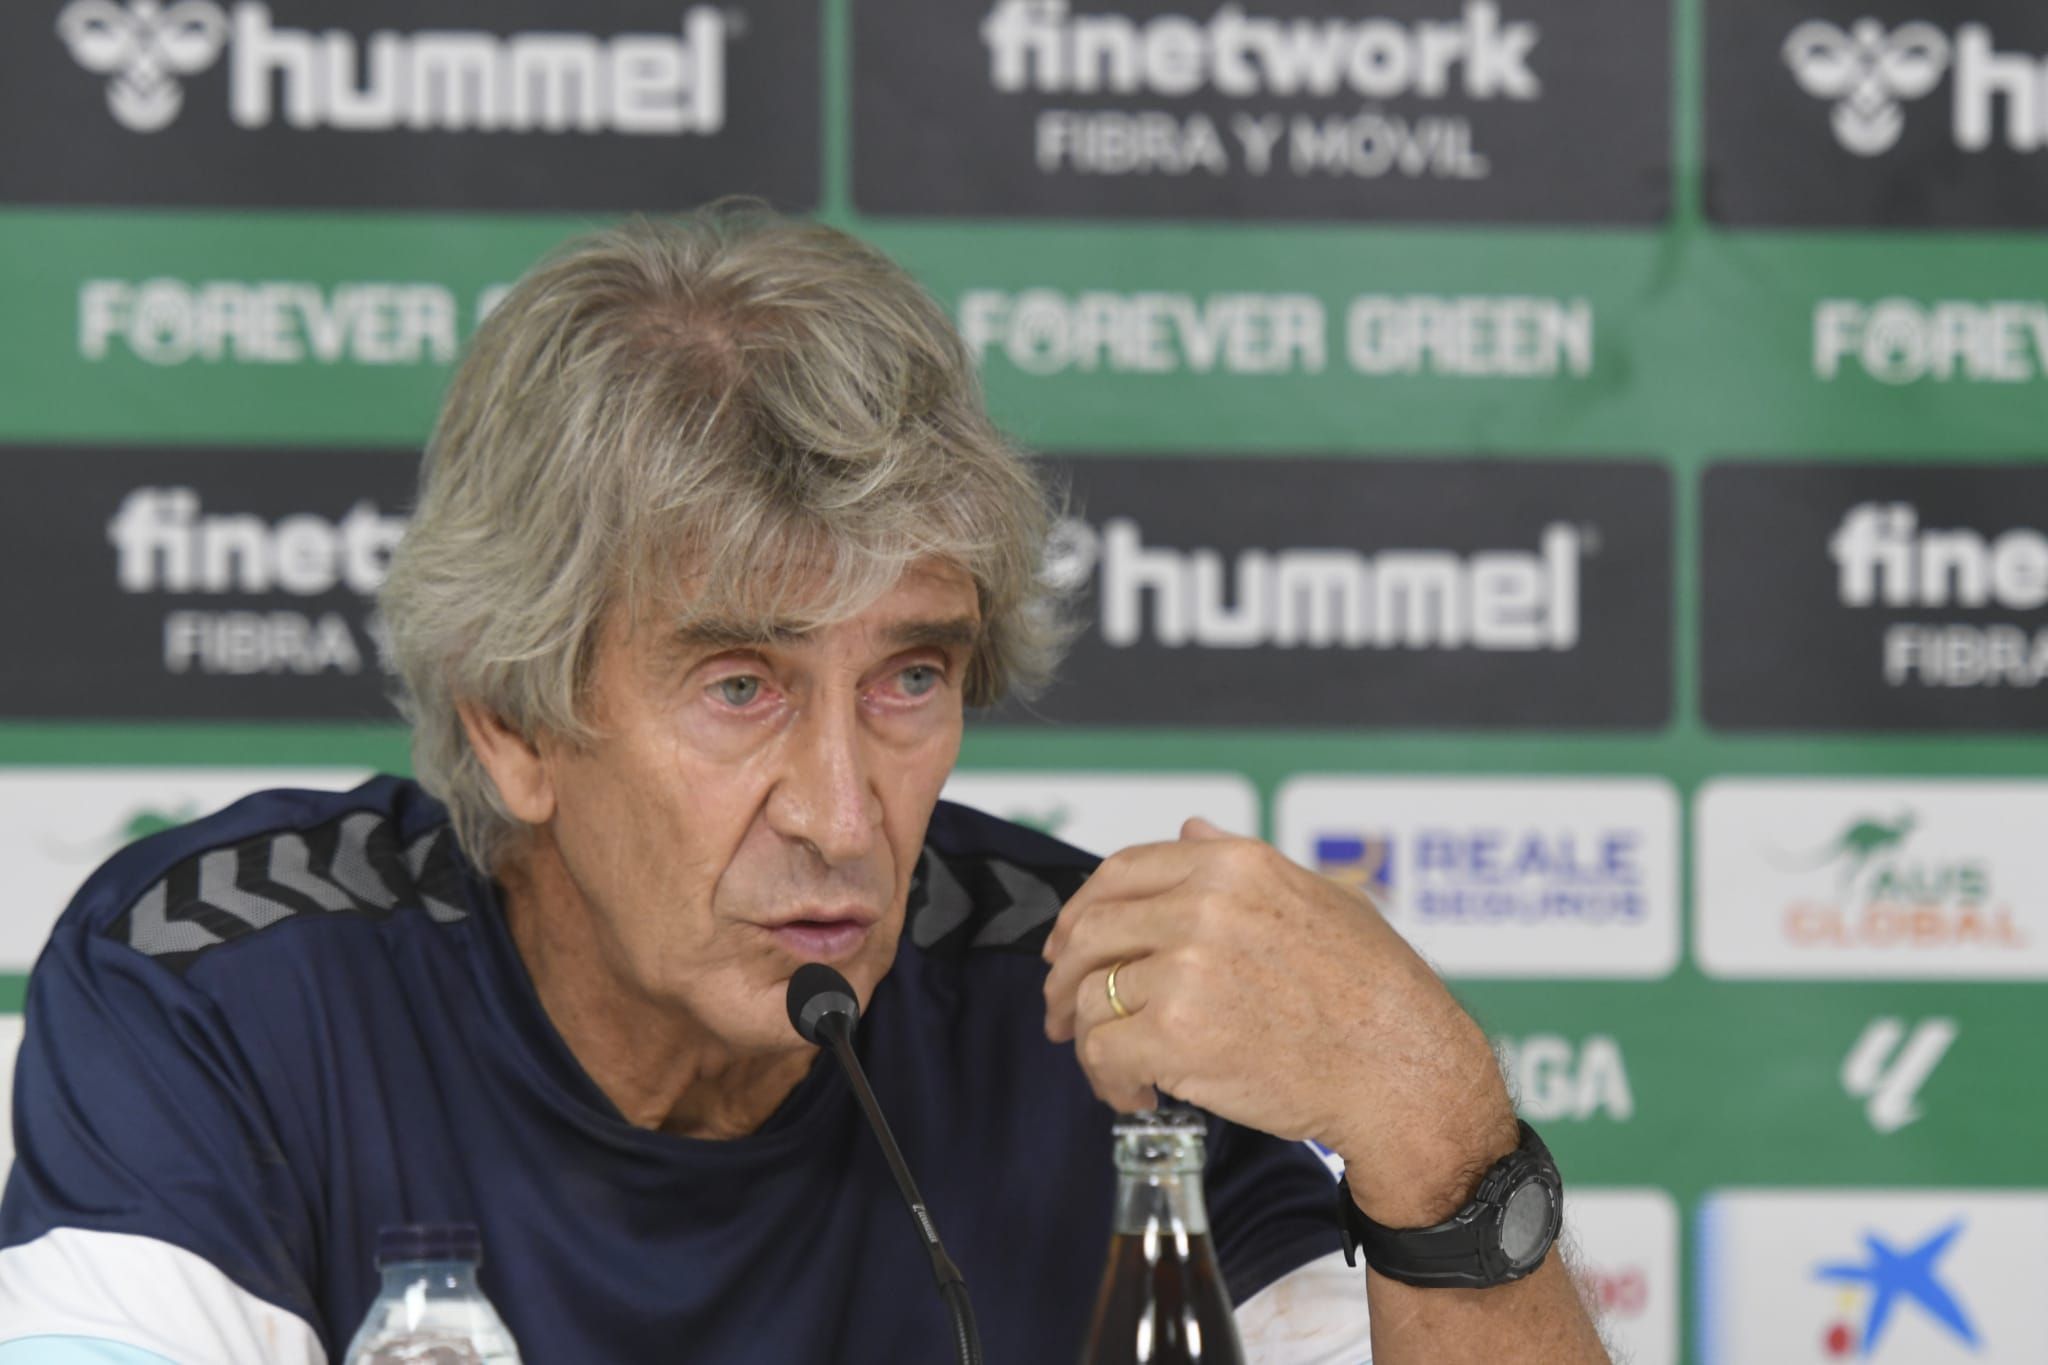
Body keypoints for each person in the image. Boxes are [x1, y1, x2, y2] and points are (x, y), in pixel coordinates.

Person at [0, 204, 1610, 1363]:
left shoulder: (1086, 1009)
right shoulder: (218, 986)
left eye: (909, 677)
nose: (843, 812)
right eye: (740, 686)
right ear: (513, 720)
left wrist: (1432, 1125)